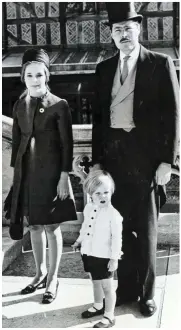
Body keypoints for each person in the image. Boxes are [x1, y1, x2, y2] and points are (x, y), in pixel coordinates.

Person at [92, 3, 179, 317]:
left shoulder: (160, 63)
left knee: (145, 229)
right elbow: (99, 120)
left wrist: (167, 161)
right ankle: (126, 288)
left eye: (128, 28)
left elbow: (172, 114)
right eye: (117, 29)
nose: (123, 34)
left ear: (139, 29)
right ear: (112, 35)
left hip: (146, 161)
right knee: (118, 227)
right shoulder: (103, 69)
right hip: (113, 160)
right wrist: (98, 162)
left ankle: (146, 294)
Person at [6, 48, 76, 304]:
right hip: (28, 176)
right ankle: (39, 273)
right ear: (23, 77)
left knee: (51, 226)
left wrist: (64, 176)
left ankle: (53, 278)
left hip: (51, 176)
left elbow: (67, 145)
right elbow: (16, 144)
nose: (35, 80)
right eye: (30, 75)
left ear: (47, 76)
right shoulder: (19, 105)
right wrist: (17, 180)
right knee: (34, 225)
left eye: (40, 75)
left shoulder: (60, 105)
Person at [72, 169, 123, 328]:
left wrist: (114, 258)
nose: (102, 196)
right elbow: (85, 228)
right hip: (88, 252)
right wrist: (79, 241)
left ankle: (109, 316)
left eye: (106, 192)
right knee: (95, 281)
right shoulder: (88, 208)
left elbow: (117, 239)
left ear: (111, 192)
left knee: (107, 286)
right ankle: (98, 305)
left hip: (104, 256)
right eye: (97, 193)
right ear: (90, 194)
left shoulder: (113, 215)